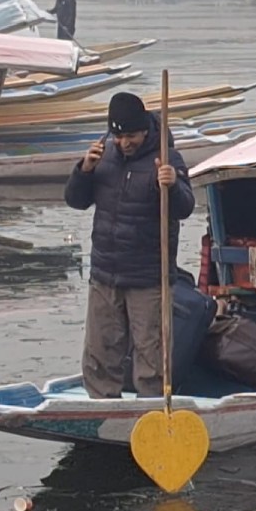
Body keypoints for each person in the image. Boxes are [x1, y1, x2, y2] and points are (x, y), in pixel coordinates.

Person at [65, 92, 195, 398]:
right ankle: (102, 406)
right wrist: (83, 169)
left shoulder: (168, 158)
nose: (125, 142)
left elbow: (185, 208)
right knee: (101, 349)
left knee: (151, 353)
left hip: (148, 276)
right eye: (119, 136)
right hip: (105, 272)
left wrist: (173, 184)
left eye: (132, 136)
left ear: (146, 131)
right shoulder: (103, 156)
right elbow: (75, 200)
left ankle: (151, 409)